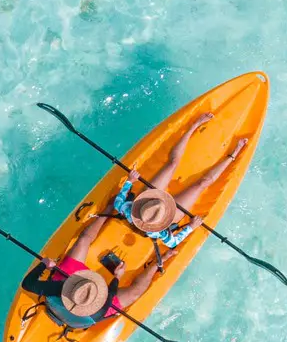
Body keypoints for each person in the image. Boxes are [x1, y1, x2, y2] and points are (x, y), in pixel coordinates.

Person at [110, 114, 247, 249]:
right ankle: (233, 155)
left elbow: (118, 201)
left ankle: (193, 126)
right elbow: (172, 243)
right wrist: (191, 227)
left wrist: (130, 180)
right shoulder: (157, 231)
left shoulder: (127, 210)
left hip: (149, 201)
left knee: (172, 164)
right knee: (202, 184)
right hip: (167, 214)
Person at [27, 211, 162, 330]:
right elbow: (112, 292)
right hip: (82, 309)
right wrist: (117, 277)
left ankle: (108, 209)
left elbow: (27, 284)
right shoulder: (100, 310)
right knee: (135, 293)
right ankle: (157, 264)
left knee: (84, 239)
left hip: (67, 286)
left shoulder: (58, 287)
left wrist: (44, 265)